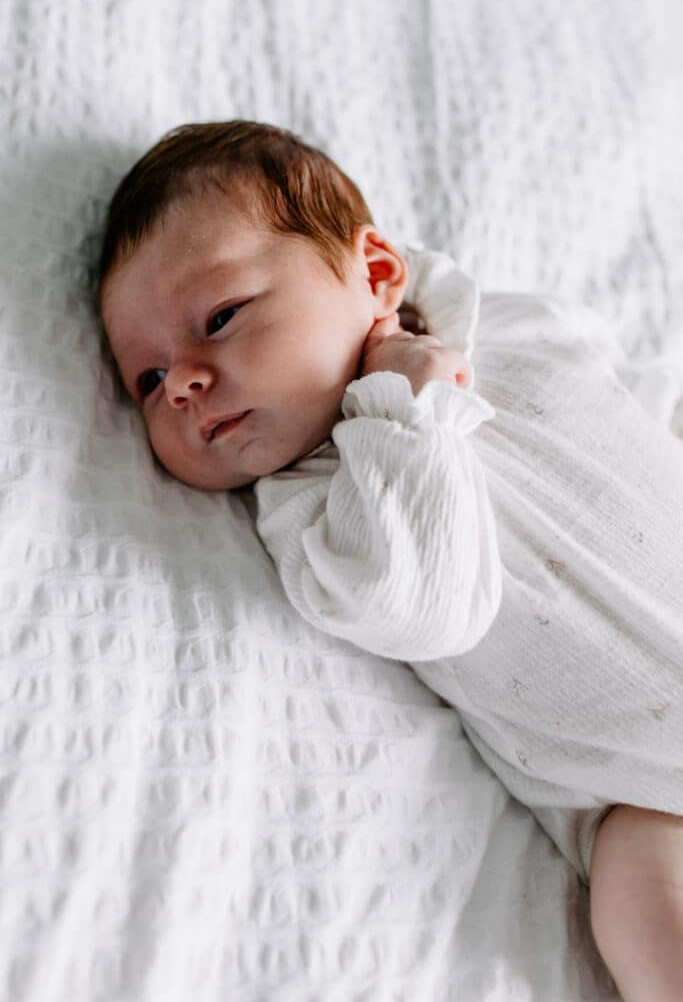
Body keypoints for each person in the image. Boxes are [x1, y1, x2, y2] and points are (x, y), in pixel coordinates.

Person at [98, 120, 683, 1001]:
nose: (181, 381)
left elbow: (637, 396)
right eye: (147, 380)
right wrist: (405, 411)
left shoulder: (512, 328)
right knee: (641, 899)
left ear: (375, 273)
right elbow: (420, 606)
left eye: (220, 318)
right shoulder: (312, 505)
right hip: (644, 795)